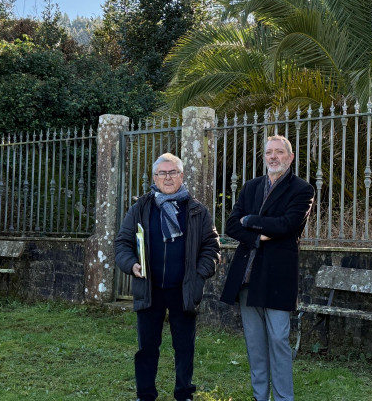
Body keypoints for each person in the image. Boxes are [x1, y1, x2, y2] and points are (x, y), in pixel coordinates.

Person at [115, 153, 220, 401]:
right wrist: (131, 265)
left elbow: (211, 246)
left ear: (182, 176)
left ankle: (184, 393)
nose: (168, 177)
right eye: (162, 173)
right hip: (149, 289)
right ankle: (145, 394)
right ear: (154, 178)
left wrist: (199, 274)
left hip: (183, 290)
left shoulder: (196, 210)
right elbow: (122, 243)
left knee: (184, 347)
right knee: (147, 348)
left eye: (173, 172)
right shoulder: (141, 207)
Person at [220, 135, 315, 401]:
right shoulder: (250, 187)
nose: (273, 157)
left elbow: (287, 225)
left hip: (277, 277)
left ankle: (284, 398)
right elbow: (231, 226)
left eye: (279, 152)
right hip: (246, 277)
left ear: (290, 157)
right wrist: (257, 236)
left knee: (278, 341)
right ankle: (259, 396)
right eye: (269, 153)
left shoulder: (302, 189)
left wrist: (250, 220)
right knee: (255, 345)